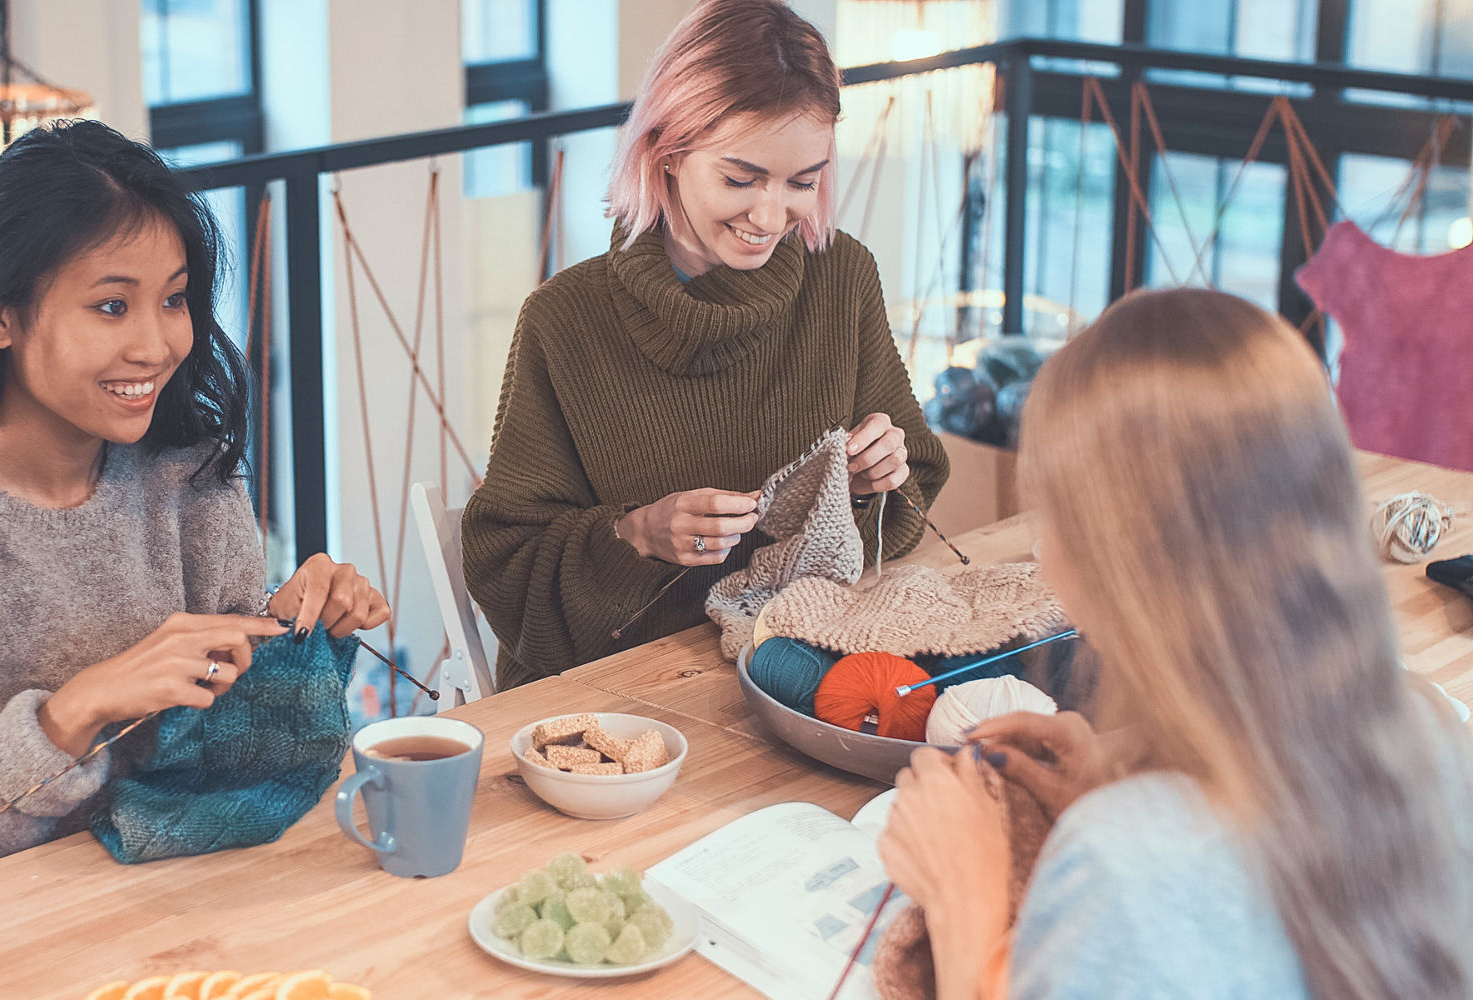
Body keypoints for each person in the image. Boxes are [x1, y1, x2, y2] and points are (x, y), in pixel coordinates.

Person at [0, 120, 389, 903]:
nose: (156, 346)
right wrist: (76, 711)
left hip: (184, 905)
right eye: (112, 307)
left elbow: (218, 771)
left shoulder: (191, 476)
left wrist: (288, 634)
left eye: (175, 300)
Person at [878, 288, 1473, 999]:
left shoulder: (1124, 863)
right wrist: (1127, 778)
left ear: (1119, 552)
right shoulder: (1430, 729)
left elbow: (1168, 884)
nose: (1043, 550)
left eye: (1054, 513)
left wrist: (961, 897)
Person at [462, 0, 948, 689]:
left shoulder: (842, 277)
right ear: (667, 151)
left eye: (802, 182)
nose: (770, 216)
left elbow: (912, 494)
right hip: (625, 701)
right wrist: (637, 538)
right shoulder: (564, 320)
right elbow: (508, 569)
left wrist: (873, 482)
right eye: (740, 179)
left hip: (799, 671)